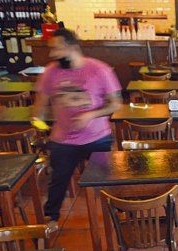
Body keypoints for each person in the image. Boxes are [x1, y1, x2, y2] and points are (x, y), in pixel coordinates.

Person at [33, 28, 122, 222]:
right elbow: (41, 104)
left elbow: (115, 104)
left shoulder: (99, 70)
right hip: (63, 139)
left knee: (107, 182)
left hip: (97, 137)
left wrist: (91, 115)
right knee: (57, 183)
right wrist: (38, 121)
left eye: (56, 49)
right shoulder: (50, 72)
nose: (52, 54)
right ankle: (51, 221)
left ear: (72, 47)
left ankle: (117, 213)